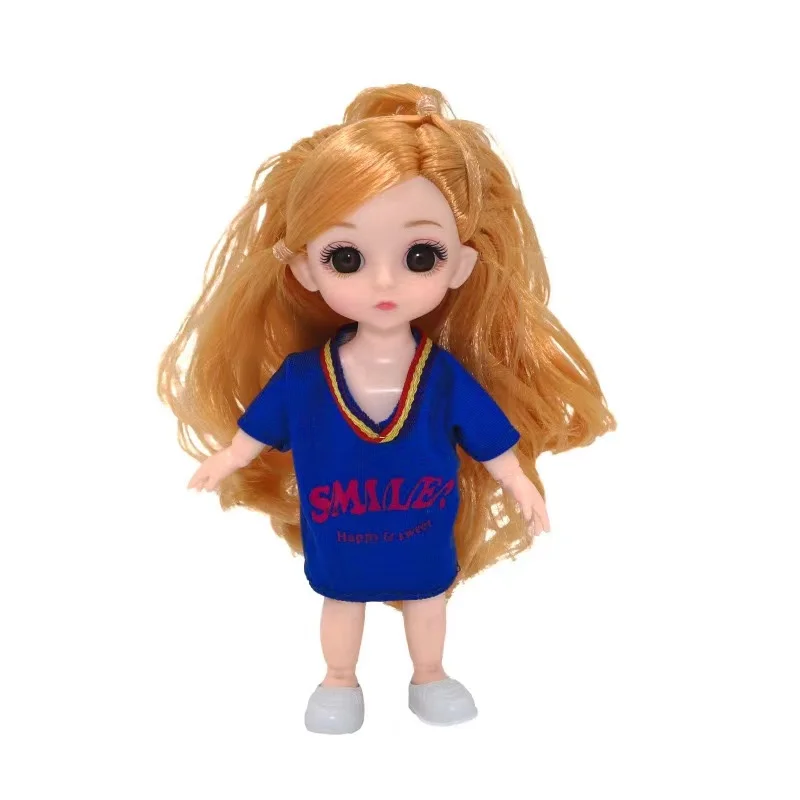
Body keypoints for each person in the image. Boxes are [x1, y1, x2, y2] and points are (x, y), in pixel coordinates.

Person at [157, 83, 616, 734]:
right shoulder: (304, 379)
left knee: (429, 601)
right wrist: (227, 459)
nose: (383, 282)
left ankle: (429, 674)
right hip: (340, 534)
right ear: (306, 270)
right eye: (345, 257)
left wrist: (520, 483)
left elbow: (489, 441)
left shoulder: (441, 376)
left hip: (420, 532)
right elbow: (253, 433)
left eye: (419, 256)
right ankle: (338, 679)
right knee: (341, 603)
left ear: (459, 266)